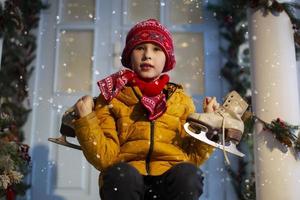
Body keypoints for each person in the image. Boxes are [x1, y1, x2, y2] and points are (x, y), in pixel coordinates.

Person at [73, 19, 219, 200]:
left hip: (169, 181)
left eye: (156, 49)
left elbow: (192, 157)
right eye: (140, 48)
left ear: (167, 58)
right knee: (120, 175)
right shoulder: (112, 96)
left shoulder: (180, 100)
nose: (147, 55)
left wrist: (209, 124)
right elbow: (104, 158)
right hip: (128, 179)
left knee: (188, 174)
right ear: (129, 55)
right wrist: (86, 119)